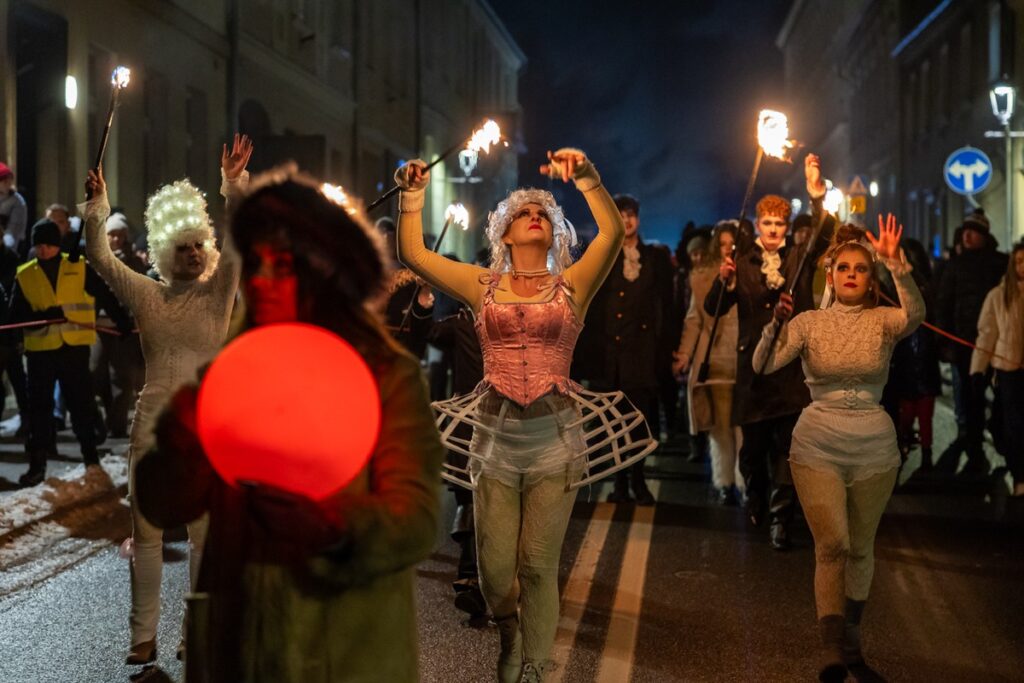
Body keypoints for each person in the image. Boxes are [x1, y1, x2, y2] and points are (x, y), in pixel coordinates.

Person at [134, 168, 444, 682]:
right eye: (255, 262)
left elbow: (415, 519)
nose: (263, 279)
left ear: (324, 270)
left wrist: (331, 526)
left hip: (348, 654)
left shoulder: (384, 376)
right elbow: (162, 501)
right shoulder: (228, 377)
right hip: (240, 650)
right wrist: (182, 440)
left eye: (283, 263)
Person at [395, 148, 654, 682]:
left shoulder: (573, 284)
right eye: (521, 212)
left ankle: (535, 666)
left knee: (538, 564)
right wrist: (412, 196)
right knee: (494, 574)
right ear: (505, 234)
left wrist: (587, 176)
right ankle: (509, 630)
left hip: (554, 439)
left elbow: (609, 234)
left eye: (542, 212)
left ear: (553, 231)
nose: (534, 215)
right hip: (494, 441)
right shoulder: (481, 285)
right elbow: (414, 253)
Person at [82, 134, 251, 664]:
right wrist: (98, 206)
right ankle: (142, 639)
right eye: (183, 247)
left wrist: (232, 185)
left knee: (204, 538)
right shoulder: (147, 294)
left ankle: (194, 636)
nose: (194, 253)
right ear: (164, 251)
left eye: (199, 245)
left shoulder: (220, 292)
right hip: (152, 426)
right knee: (147, 535)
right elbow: (99, 257)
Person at [753, 216, 924, 681]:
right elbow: (763, 365)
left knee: (862, 549)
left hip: (874, 447)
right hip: (818, 443)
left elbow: (915, 315)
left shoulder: (884, 321)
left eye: (861, 269)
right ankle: (830, 648)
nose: (851, 274)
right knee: (833, 544)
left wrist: (895, 264)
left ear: (871, 279)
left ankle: (851, 640)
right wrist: (775, 324)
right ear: (829, 277)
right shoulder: (808, 323)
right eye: (843, 268)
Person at [706, 154, 830, 550]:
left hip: (790, 369)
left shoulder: (798, 258)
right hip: (754, 371)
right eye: (768, 223)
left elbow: (824, 235)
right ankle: (756, 495)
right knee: (753, 450)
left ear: (787, 227)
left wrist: (816, 195)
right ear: (758, 225)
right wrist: (722, 281)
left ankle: (781, 518)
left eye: (780, 224)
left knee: (788, 449)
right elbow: (713, 308)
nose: (774, 230)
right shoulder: (741, 263)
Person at [8, 218, 130, 486]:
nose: (43, 250)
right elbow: (15, 315)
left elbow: (104, 294)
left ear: (57, 244)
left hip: (73, 349)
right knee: (40, 412)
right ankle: (37, 466)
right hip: (40, 353)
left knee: (81, 406)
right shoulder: (25, 274)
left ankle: (91, 462)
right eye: (38, 245)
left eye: (48, 245)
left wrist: (122, 320)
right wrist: (41, 316)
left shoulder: (77, 266)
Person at [582, 193, 674, 505]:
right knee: (614, 423)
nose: (627, 220)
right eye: (620, 215)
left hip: (642, 353)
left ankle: (639, 480)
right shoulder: (602, 256)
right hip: (610, 353)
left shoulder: (655, 258)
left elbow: (667, 307)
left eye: (631, 214)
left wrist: (667, 350)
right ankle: (620, 482)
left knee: (639, 421)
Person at [675, 220, 744, 505]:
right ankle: (724, 481)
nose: (727, 248)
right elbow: (694, 319)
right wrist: (685, 354)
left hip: (744, 360)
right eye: (723, 243)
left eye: (733, 243)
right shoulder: (702, 277)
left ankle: (744, 481)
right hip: (713, 361)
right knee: (719, 427)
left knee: (742, 427)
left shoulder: (751, 274)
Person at [935, 209, 1008, 475]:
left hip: (998, 344)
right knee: (969, 397)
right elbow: (943, 303)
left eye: (973, 232)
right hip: (963, 344)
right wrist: (944, 341)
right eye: (964, 231)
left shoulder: (1000, 263)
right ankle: (973, 445)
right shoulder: (955, 265)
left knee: (1003, 396)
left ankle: (1001, 439)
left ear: (983, 236)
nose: (967, 236)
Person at [971, 242, 1024, 497]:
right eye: (1019, 261)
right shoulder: (998, 296)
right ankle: (1019, 474)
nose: (1023, 266)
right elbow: (987, 334)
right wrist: (978, 369)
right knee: (1014, 425)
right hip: (1008, 369)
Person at [90, 212, 147, 438]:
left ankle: (117, 425)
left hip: (125, 327)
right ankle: (101, 419)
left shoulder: (134, 262)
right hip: (99, 325)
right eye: (111, 234)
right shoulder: (96, 260)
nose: (116, 239)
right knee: (95, 372)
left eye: (120, 235)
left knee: (122, 377)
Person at [890, 238, 941, 469]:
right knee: (909, 411)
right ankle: (906, 448)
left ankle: (924, 454)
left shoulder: (924, 287)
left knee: (922, 410)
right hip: (906, 356)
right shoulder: (897, 286)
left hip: (921, 355)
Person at [0, 162, 27, 256]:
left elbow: (13, 230)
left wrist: (5, 249)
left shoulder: (17, 201)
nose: (8, 183)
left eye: (9, 179)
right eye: (4, 181)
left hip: (9, 245)